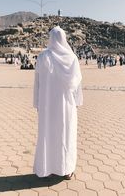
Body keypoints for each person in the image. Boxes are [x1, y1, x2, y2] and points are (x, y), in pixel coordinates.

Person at [33, 26, 83, 179]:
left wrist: (38, 103)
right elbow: (76, 84)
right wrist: (77, 102)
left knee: (48, 135)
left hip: (47, 106)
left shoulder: (42, 57)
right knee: (65, 135)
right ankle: (66, 170)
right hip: (66, 106)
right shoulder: (72, 58)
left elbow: (37, 83)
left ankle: (47, 169)